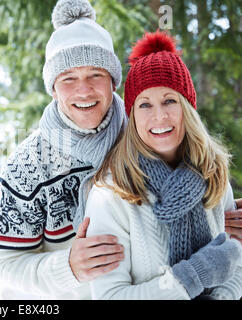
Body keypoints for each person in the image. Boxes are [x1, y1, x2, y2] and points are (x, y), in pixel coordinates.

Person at [85, 31, 242, 300]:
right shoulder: (112, 194)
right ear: (133, 117)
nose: (159, 116)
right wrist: (193, 276)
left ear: (188, 108)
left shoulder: (214, 177)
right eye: (144, 105)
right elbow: (110, 295)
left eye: (170, 100)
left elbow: (233, 264)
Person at [0, 0, 127, 299]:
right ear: (53, 88)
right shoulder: (27, 167)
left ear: (113, 82)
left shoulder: (143, 139)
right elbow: (8, 265)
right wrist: (68, 267)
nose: (84, 90)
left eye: (95, 74)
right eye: (68, 79)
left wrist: (213, 215)